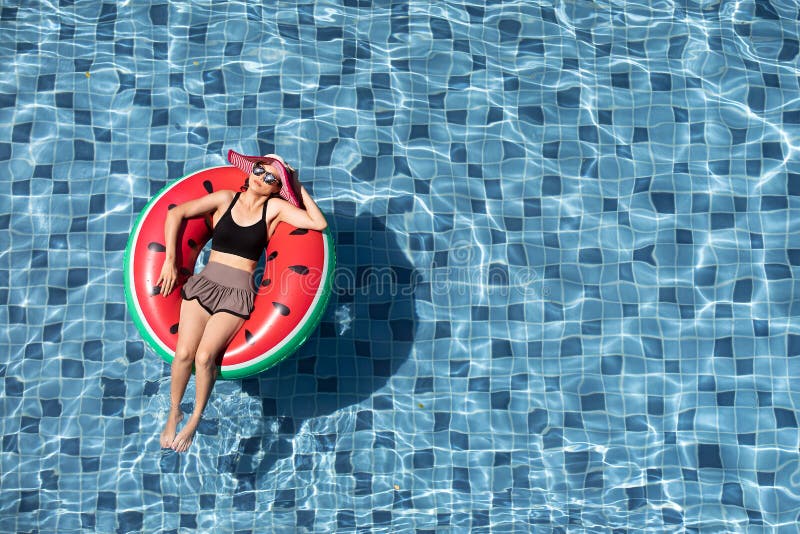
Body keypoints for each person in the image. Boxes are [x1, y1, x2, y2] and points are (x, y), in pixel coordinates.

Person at [156, 150, 328, 452]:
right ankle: (175, 410)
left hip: (236, 295)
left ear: (278, 188)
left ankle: (195, 418)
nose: (262, 177)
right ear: (251, 171)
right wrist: (171, 260)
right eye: (260, 170)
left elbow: (318, 223)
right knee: (183, 353)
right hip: (204, 285)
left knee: (204, 357)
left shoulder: (274, 209)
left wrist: (296, 184)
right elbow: (176, 213)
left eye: (272, 177)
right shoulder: (225, 199)